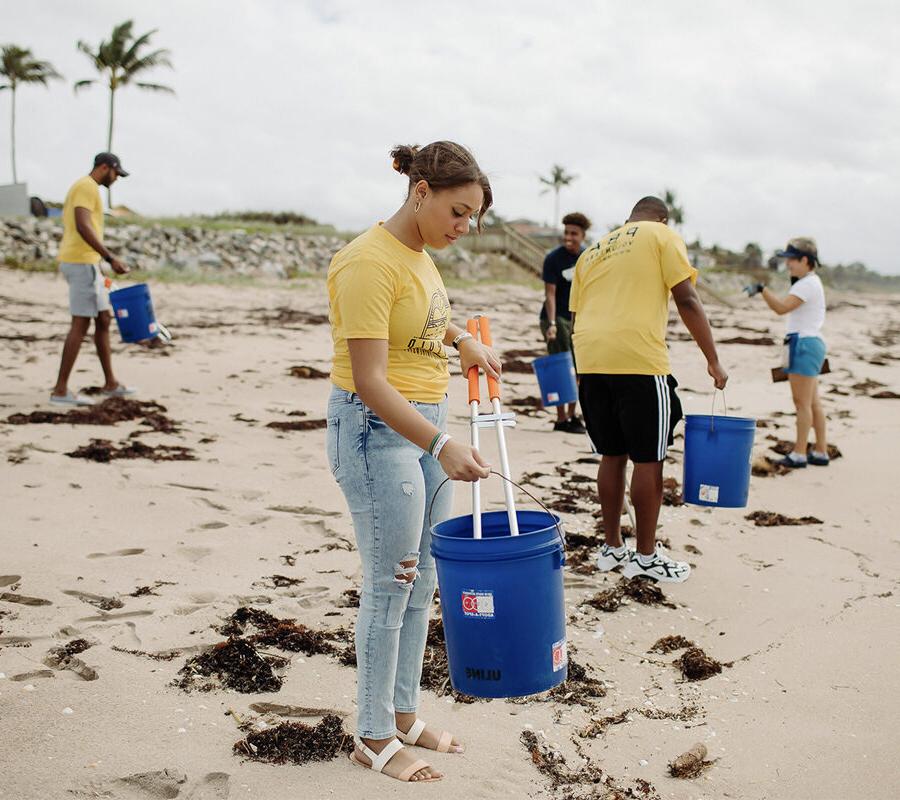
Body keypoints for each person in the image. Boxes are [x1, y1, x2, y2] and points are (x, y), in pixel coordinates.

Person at [326, 142, 501, 783]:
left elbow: (431, 320)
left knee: (424, 579)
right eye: (459, 212)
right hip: (380, 434)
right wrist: (439, 445)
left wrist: (463, 342)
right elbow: (370, 380)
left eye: (473, 217)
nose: (465, 227)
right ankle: (371, 735)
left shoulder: (420, 256)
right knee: (390, 581)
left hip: (426, 425)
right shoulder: (366, 262)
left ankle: (401, 713)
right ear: (420, 191)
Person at [570, 196, 728, 583]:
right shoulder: (662, 235)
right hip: (638, 359)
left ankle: (610, 548)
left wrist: (581, 370)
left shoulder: (591, 252)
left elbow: (575, 313)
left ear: (628, 219)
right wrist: (713, 358)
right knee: (649, 458)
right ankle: (645, 555)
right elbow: (686, 297)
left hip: (590, 359)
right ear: (662, 216)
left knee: (611, 454)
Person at [51, 153, 134, 406]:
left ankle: (111, 383)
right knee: (80, 323)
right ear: (104, 167)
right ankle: (60, 390)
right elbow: (83, 225)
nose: (116, 179)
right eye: (116, 174)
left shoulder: (87, 188)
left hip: (87, 263)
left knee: (103, 319)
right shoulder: (86, 187)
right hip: (80, 262)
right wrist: (109, 258)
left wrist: (98, 265)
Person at [745, 237, 828, 467]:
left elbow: (781, 308)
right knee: (813, 402)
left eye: (791, 260)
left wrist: (762, 289)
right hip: (812, 343)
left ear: (804, 260)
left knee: (802, 403)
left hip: (803, 344)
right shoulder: (811, 281)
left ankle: (800, 453)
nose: (788, 264)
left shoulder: (806, 284)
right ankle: (820, 451)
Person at [539, 212, 591, 433]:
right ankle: (561, 419)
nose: (569, 237)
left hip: (579, 319)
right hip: (556, 317)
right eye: (566, 232)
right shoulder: (553, 259)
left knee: (579, 370)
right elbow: (550, 294)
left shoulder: (587, 257)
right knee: (561, 367)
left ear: (583, 235)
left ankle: (571, 415)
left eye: (574, 233)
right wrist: (551, 323)